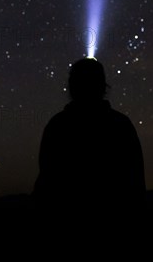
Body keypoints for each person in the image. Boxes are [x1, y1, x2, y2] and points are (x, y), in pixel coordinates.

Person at [32, 58, 146, 224]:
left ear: (72, 85)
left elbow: (48, 178)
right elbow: (135, 181)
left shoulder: (58, 125)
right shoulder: (120, 125)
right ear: (102, 86)